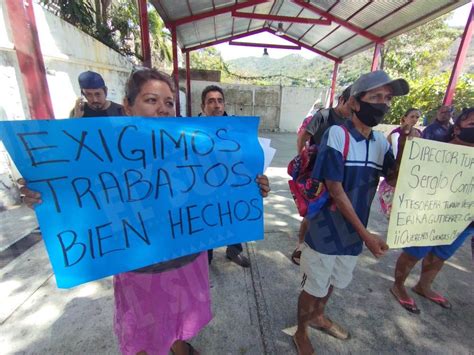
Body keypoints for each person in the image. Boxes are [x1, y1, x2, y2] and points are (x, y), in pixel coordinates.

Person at [19, 69, 271, 354]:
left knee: (179, 320)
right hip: (141, 270)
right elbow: (70, 188)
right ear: (128, 106)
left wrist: (252, 186)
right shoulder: (103, 154)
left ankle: (180, 347)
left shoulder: (193, 148)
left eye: (169, 103)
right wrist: (42, 194)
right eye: (152, 100)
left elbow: (223, 182)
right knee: (144, 334)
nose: (163, 109)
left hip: (188, 259)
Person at [293, 70, 410, 355]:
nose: (382, 104)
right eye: (375, 97)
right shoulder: (337, 134)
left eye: (387, 98)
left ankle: (319, 316)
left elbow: (393, 178)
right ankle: (301, 331)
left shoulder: (381, 142)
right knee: (313, 287)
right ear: (356, 103)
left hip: (353, 235)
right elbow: (335, 189)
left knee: (333, 282)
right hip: (326, 232)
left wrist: (407, 144)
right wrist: (367, 236)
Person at [390, 107, 474, 314]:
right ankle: (398, 286)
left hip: (464, 218)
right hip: (430, 214)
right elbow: (400, 176)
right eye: (472, 125)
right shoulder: (434, 151)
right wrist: (405, 142)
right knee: (414, 253)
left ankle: (423, 286)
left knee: (441, 255)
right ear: (457, 128)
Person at [291, 86, 352, 265]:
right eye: (350, 104)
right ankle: (301, 245)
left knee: (333, 211)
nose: (352, 110)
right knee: (311, 213)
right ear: (341, 100)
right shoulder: (323, 116)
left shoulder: (351, 121)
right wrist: (301, 161)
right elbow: (303, 136)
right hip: (316, 174)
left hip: (337, 175)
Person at [199, 84, 251, 268]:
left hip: (231, 184)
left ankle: (233, 250)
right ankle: (206, 258)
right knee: (205, 221)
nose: (217, 105)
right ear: (202, 107)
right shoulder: (191, 131)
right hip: (203, 187)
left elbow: (249, 156)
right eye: (211, 101)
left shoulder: (236, 128)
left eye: (220, 101)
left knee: (234, 216)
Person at [378, 108, 422, 217]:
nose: (414, 119)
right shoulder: (396, 134)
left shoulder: (418, 133)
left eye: (417, 117)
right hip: (395, 175)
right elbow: (391, 153)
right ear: (404, 118)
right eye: (412, 116)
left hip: (411, 174)